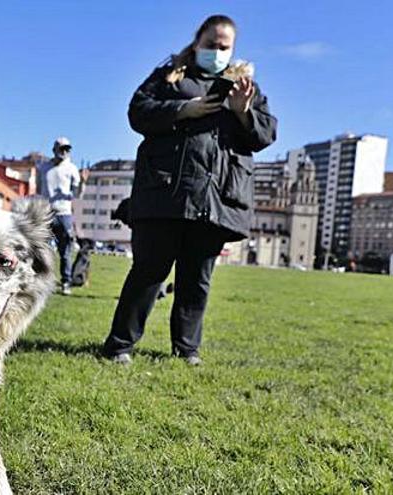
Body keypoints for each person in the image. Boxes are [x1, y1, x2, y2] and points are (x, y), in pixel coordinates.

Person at [102, 14, 277, 365]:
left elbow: (265, 135)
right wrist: (185, 109)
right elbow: (138, 112)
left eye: (224, 47)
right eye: (211, 44)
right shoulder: (170, 76)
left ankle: (187, 349)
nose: (217, 51)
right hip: (165, 191)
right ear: (197, 42)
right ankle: (120, 344)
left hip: (215, 199)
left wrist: (244, 113)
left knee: (197, 279)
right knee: (149, 271)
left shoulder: (245, 87)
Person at [36, 137, 89, 295]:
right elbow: (39, 190)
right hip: (46, 213)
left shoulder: (72, 169)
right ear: (54, 149)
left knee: (65, 251)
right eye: (62, 148)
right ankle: (41, 281)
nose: (65, 152)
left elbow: (78, 194)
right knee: (41, 249)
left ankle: (66, 282)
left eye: (67, 149)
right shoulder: (44, 168)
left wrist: (84, 182)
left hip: (64, 214)